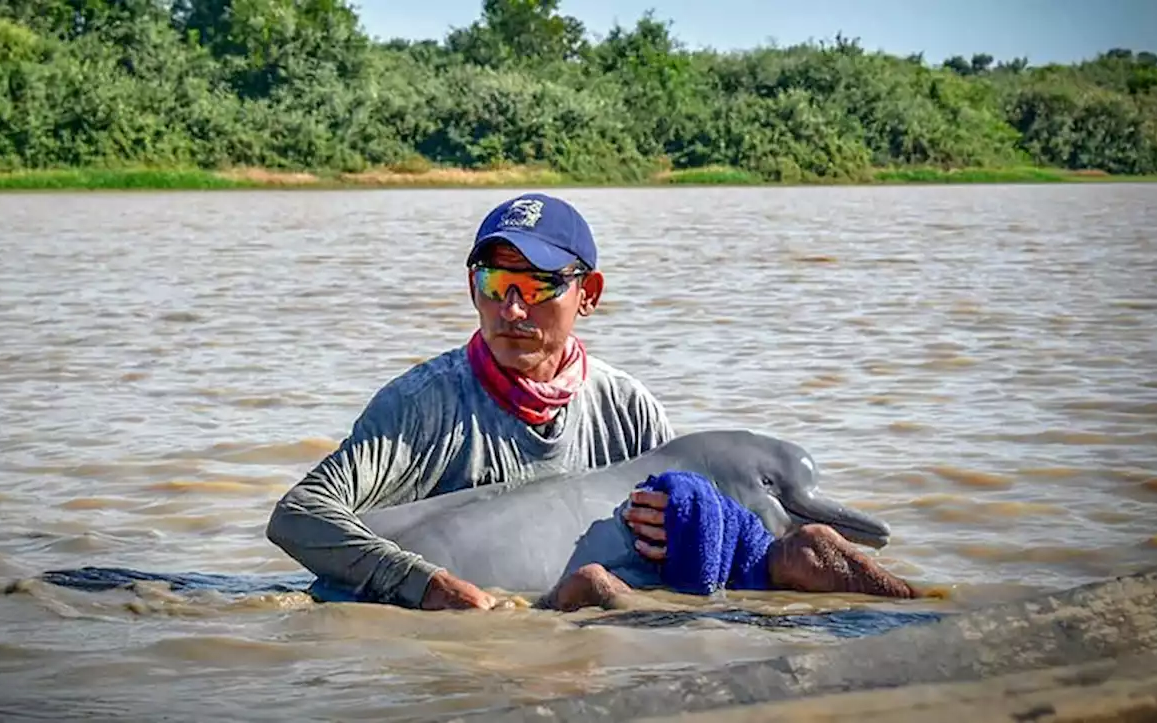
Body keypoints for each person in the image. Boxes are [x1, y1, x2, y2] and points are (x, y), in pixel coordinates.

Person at [266, 192, 917, 612]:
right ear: (472, 286)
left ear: (590, 291)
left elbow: (692, 547)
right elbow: (298, 516)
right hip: (421, 613)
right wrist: (428, 585)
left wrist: (692, 530)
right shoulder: (422, 408)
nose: (511, 308)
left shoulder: (628, 409)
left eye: (537, 283)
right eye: (494, 282)